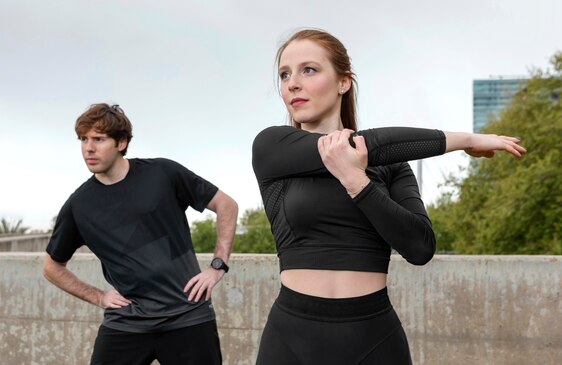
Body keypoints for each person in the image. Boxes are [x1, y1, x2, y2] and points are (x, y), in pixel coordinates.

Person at [252, 29, 526, 365]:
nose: (293, 82)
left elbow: (420, 247)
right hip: (290, 338)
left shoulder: (392, 164)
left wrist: (357, 183)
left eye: (309, 69)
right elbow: (365, 145)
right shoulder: (271, 149)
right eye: (284, 74)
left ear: (343, 82)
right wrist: (466, 139)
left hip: (374, 339)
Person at [42, 103, 238, 365]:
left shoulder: (162, 173)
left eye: (98, 139)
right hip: (127, 322)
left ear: (121, 142)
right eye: (83, 139)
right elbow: (51, 266)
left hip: (187, 316)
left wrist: (217, 266)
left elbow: (226, 205)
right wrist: (98, 296)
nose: (88, 148)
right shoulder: (79, 205)